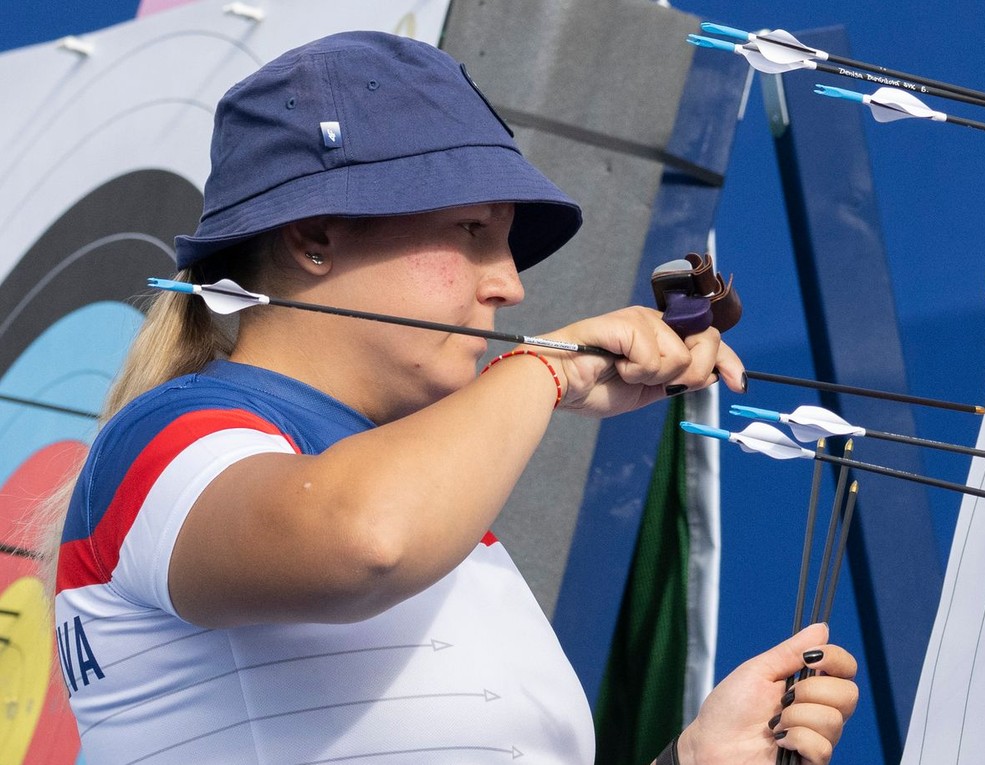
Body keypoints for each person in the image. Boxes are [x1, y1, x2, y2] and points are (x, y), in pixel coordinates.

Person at [48, 30, 857, 764]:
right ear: (315, 236)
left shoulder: (437, 508)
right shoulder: (167, 433)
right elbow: (367, 539)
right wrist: (550, 368)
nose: (509, 283)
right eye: (473, 230)